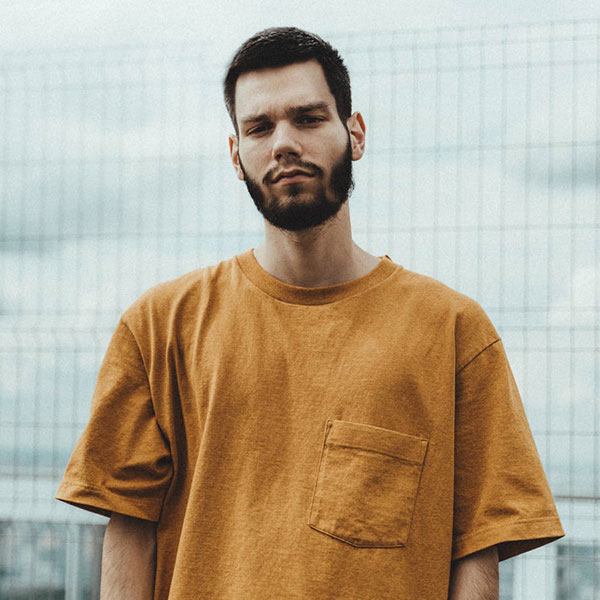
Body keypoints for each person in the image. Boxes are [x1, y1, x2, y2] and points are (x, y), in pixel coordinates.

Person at [56, 26, 565, 599]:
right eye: (259, 127)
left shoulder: (452, 331)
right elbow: (129, 530)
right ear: (236, 155)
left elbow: (477, 547)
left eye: (308, 118)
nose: (284, 143)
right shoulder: (159, 326)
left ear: (355, 133)